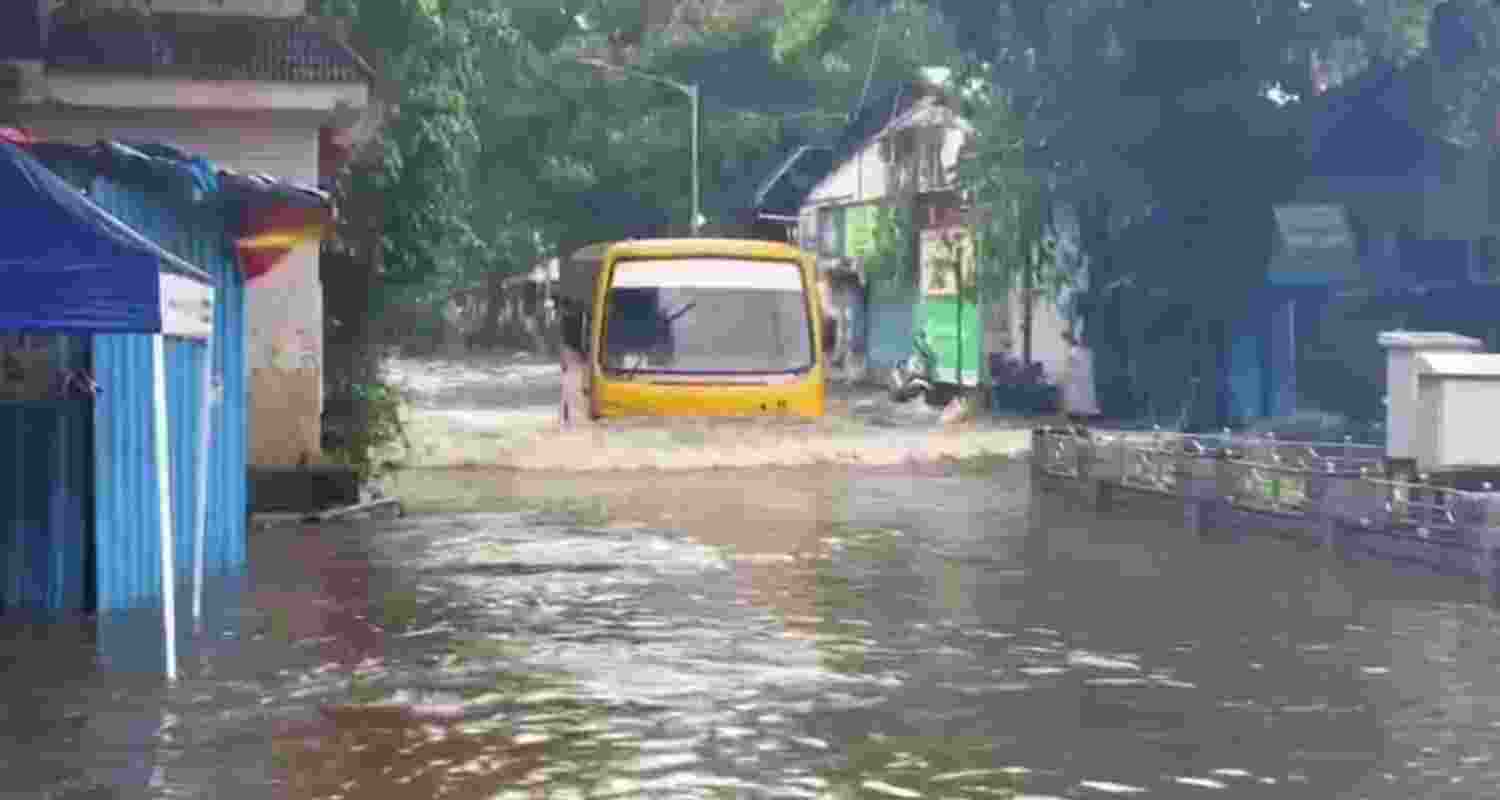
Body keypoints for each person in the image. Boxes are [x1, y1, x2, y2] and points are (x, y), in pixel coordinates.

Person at [1060, 329, 1100, 430]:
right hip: (1078, 382)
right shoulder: (1080, 351)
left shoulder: (1081, 352)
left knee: (1081, 402)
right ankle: (1079, 423)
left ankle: (1081, 423)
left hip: (1080, 382)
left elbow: (1073, 365)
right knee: (1078, 402)